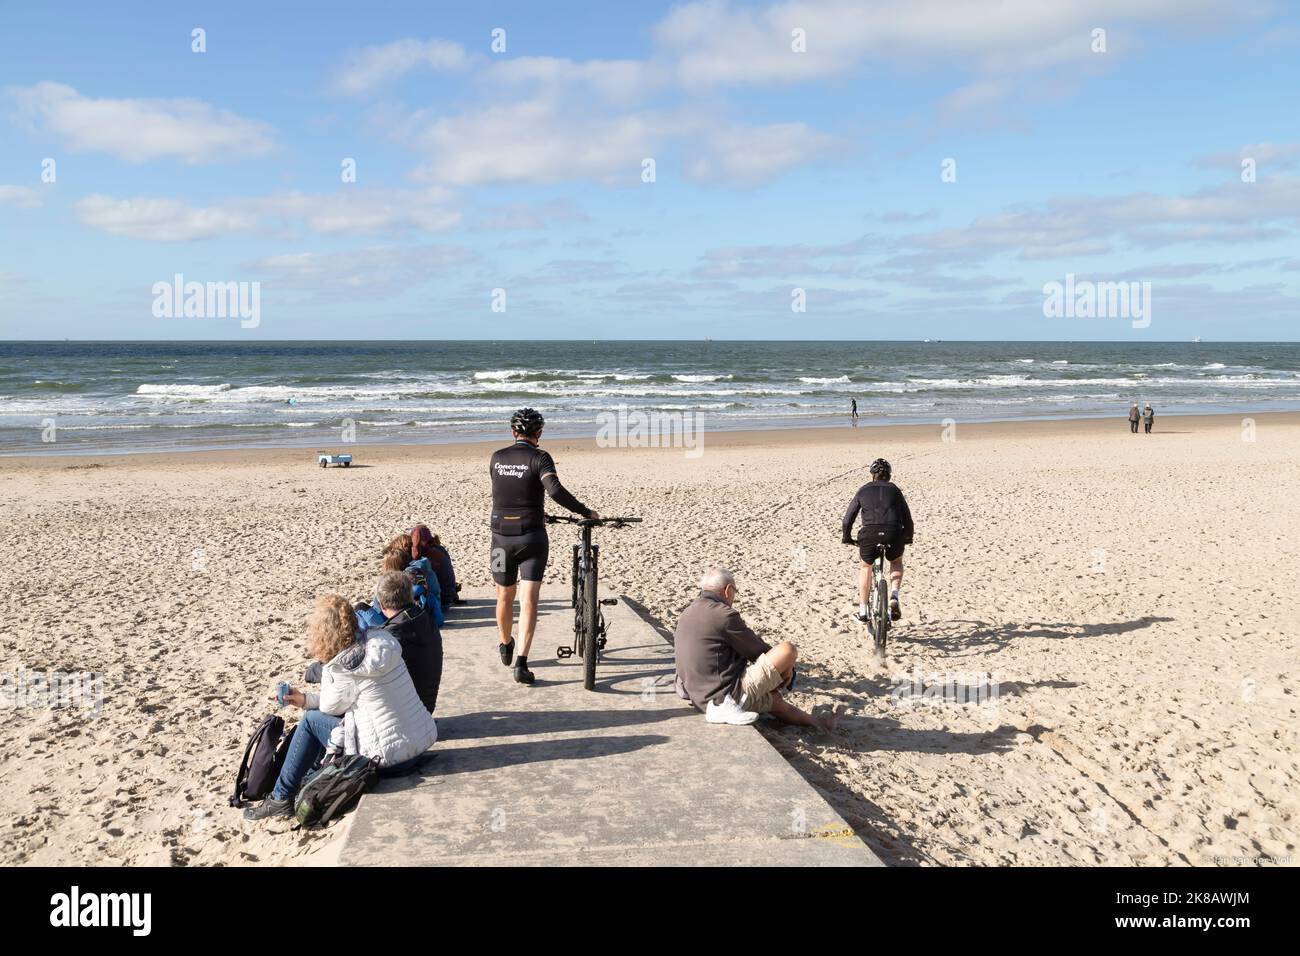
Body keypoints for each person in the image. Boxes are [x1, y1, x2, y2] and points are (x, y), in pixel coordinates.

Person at [243, 594, 438, 820]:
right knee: (319, 718)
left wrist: (312, 692)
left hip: (387, 760)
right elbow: (342, 700)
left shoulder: (343, 666)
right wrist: (305, 699)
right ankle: (290, 788)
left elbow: (328, 707)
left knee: (309, 721)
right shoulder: (382, 643)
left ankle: (280, 798)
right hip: (418, 742)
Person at [489, 407, 598, 685]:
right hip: (531, 538)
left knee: (504, 596)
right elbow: (555, 491)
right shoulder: (540, 458)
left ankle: (505, 644)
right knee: (528, 600)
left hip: (501, 537)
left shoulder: (497, 458)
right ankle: (522, 663)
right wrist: (586, 511)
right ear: (539, 433)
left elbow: (508, 492)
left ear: (512, 433)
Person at [673, 568, 842, 730]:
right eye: (734, 592)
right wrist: (788, 669)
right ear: (727, 590)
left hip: (697, 694)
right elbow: (758, 651)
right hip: (722, 697)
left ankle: (820, 723)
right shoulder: (722, 614)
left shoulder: (688, 611)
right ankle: (819, 721)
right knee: (787, 650)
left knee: (774, 701)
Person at [841, 457, 914, 623]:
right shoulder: (895, 490)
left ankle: (863, 611)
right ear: (889, 475)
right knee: (896, 561)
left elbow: (848, 518)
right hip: (894, 533)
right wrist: (907, 537)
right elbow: (907, 518)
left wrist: (847, 537)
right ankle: (894, 596)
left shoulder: (863, 490)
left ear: (872, 475)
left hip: (869, 534)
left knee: (865, 566)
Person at [373, 570, 442, 713]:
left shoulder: (389, 638)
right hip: (425, 709)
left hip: (403, 717)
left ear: (382, 605)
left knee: (314, 719)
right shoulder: (426, 620)